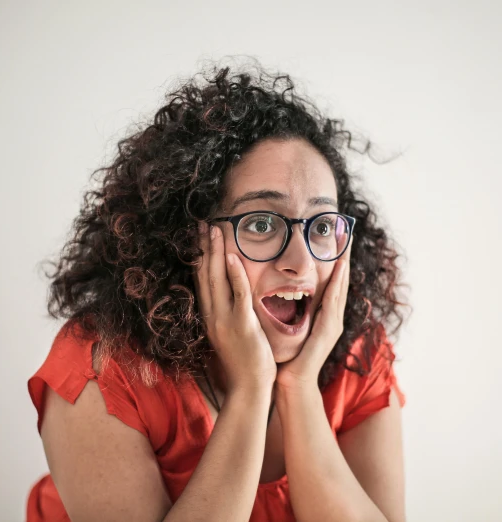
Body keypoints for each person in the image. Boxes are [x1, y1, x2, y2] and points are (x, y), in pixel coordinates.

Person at [27, 59, 409, 522]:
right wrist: (251, 389)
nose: (302, 262)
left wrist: (299, 389)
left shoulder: (359, 357)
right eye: (262, 223)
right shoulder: (100, 369)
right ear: (189, 238)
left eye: (323, 224)